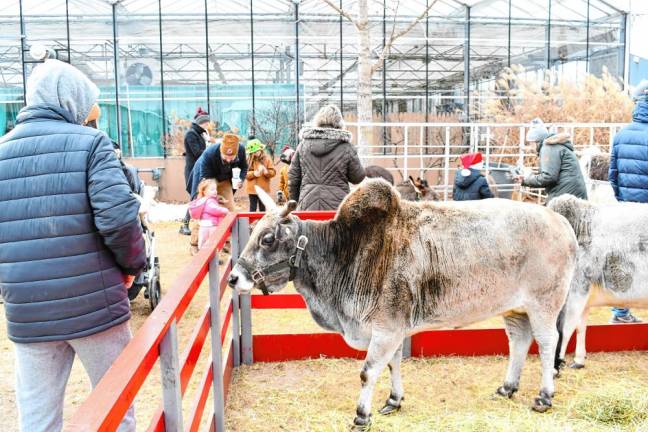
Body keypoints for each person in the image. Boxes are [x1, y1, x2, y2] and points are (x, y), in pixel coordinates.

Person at [0, 59, 145, 432]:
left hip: (28, 313)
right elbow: (119, 217)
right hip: (94, 306)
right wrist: (132, 267)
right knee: (116, 406)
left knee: (37, 419)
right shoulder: (92, 143)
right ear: (71, 100)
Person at [606, 80, 648, 324]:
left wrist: (623, 200)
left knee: (626, 259)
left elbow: (612, 175)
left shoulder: (622, 134)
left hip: (627, 210)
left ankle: (620, 313)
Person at [288, 104, 365, 210]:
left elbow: (293, 178)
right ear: (339, 122)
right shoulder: (346, 147)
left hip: (307, 205)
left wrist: (295, 203)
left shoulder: (303, 145)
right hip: (337, 207)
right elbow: (358, 177)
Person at [516, 118, 588, 203]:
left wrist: (525, 180)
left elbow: (548, 177)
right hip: (572, 192)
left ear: (537, 141)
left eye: (531, 143)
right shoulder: (554, 146)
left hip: (566, 196)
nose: (531, 147)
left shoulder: (548, 148)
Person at [188, 132, 248, 211]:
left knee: (228, 205)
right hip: (208, 173)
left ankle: (225, 221)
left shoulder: (241, 150)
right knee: (199, 201)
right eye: (225, 158)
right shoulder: (209, 154)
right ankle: (186, 221)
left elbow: (244, 167)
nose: (228, 160)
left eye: (232, 158)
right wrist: (215, 196)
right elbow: (206, 181)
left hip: (225, 175)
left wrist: (241, 179)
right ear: (221, 152)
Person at [180, 107, 211, 236]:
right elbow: (198, 153)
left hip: (198, 169)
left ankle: (194, 222)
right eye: (207, 122)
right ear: (201, 122)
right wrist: (210, 148)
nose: (208, 124)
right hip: (193, 170)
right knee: (194, 196)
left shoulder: (198, 134)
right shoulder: (191, 134)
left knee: (198, 196)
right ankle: (184, 224)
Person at [188, 179, 229, 250]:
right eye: (212, 189)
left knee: (204, 243)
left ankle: (204, 255)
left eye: (215, 189)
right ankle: (212, 258)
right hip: (211, 225)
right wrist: (225, 210)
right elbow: (214, 209)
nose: (215, 191)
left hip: (204, 226)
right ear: (204, 191)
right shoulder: (209, 201)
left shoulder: (203, 199)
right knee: (213, 244)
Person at [245, 136, 276, 211]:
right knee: (252, 208)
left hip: (263, 188)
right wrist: (254, 174)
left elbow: (273, 172)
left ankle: (263, 222)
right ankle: (252, 222)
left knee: (262, 208)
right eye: (254, 152)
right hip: (252, 189)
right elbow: (245, 174)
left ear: (261, 149)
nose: (256, 153)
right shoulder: (248, 160)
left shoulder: (267, 159)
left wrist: (266, 172)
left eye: (257, 151)